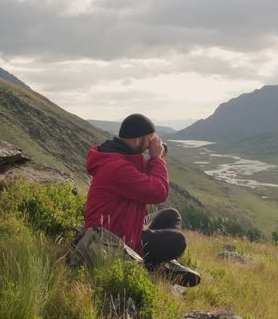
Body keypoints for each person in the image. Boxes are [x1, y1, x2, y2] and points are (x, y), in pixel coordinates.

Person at [84, 113, 200, 287]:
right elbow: (158, 192)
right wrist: (156, 159)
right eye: (149, 140)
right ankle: (158, 266)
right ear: (137, 140)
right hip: (112, 240)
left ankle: (161, 263)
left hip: (124, 225)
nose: (150, 144)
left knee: (171, 215)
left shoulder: (118, 157)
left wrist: (157, 158)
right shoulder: (117, 167)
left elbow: (139, 172)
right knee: (177, 241)